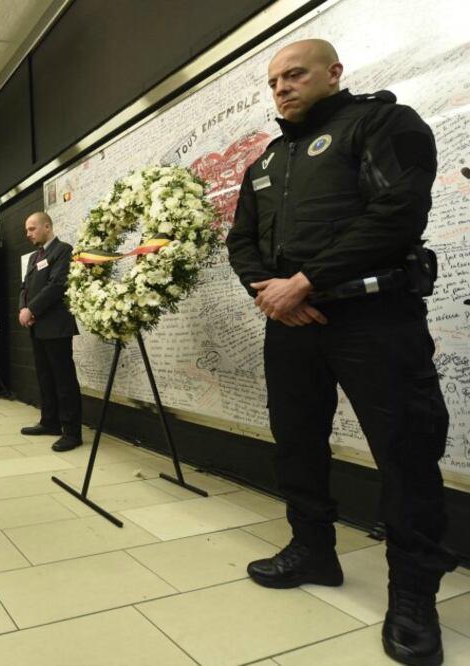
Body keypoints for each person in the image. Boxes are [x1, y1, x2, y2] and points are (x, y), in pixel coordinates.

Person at [226, 39, 456, 666]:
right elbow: (240, 243)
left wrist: (307, 280)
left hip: (375, 318)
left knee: (405, 451)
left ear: (333, 73)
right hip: (293, 323)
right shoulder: (268, 161)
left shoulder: (384, 122)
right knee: (296, 441)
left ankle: (412, 595)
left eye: (294, 75)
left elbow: (397, 214)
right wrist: (277, 296)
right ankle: (314, 552)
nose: (281, 89)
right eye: (273, 81)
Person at [19, 212, 83, 452]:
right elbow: (24, 287)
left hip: (56, 327)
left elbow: (56, 285)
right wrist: (22, 308)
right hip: (37, 328)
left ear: (47, 226)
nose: (28, 234)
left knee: (63, 380)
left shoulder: (63, 250)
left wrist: (31, 310)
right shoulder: (35, 256)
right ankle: (50, 422)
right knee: (45, 378)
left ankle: (72, 432)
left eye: (32, 228)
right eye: (27, 230)